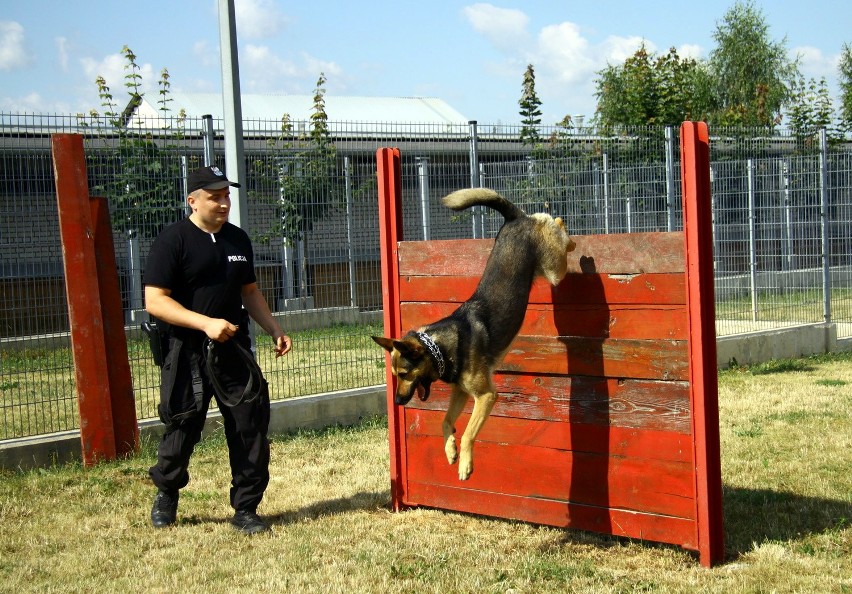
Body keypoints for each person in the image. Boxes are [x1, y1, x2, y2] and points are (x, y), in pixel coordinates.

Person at [143, 164, 292, 534]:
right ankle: (167, 491)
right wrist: (204, 323)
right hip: (186, 349)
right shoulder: (172, 240)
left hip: (233, 350)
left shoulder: (238, 239)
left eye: (227, 195)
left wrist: (274, 328)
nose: (224, 203)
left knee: (249, 426)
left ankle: (246, 509)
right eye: (215, 197)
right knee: (182, 427)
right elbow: (155, 301)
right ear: (193, 201)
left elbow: (250, 292)